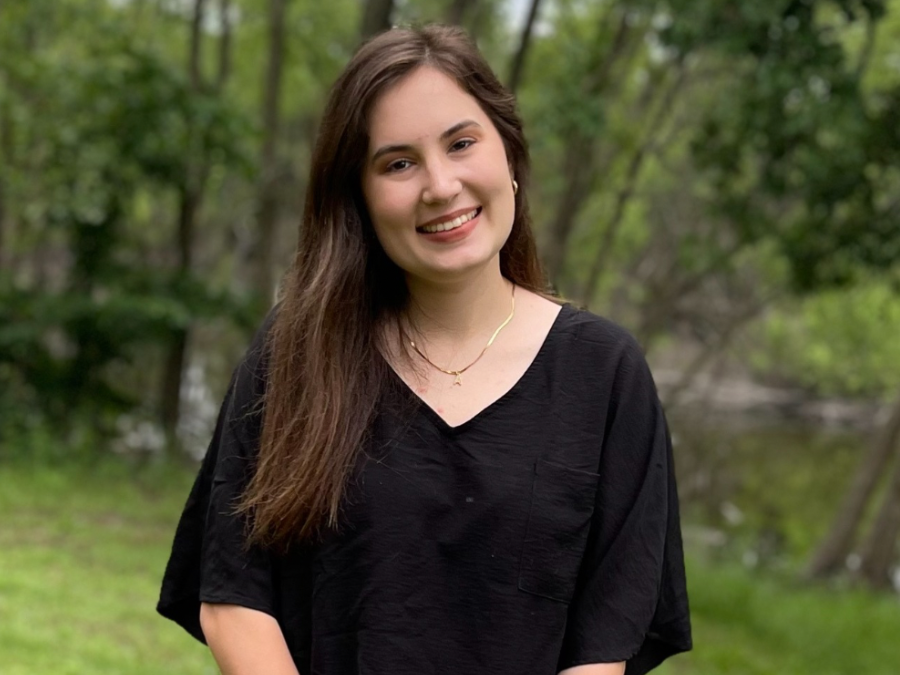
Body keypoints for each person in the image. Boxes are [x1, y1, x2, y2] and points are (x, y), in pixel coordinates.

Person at [158, 24, 691, 675]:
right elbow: (234, 595)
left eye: (462, 143)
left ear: (510, 156)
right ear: (359, 197)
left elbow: (610, 634)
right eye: (399, 162)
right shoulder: (297, 351)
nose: (440, 185)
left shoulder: (605, 374)